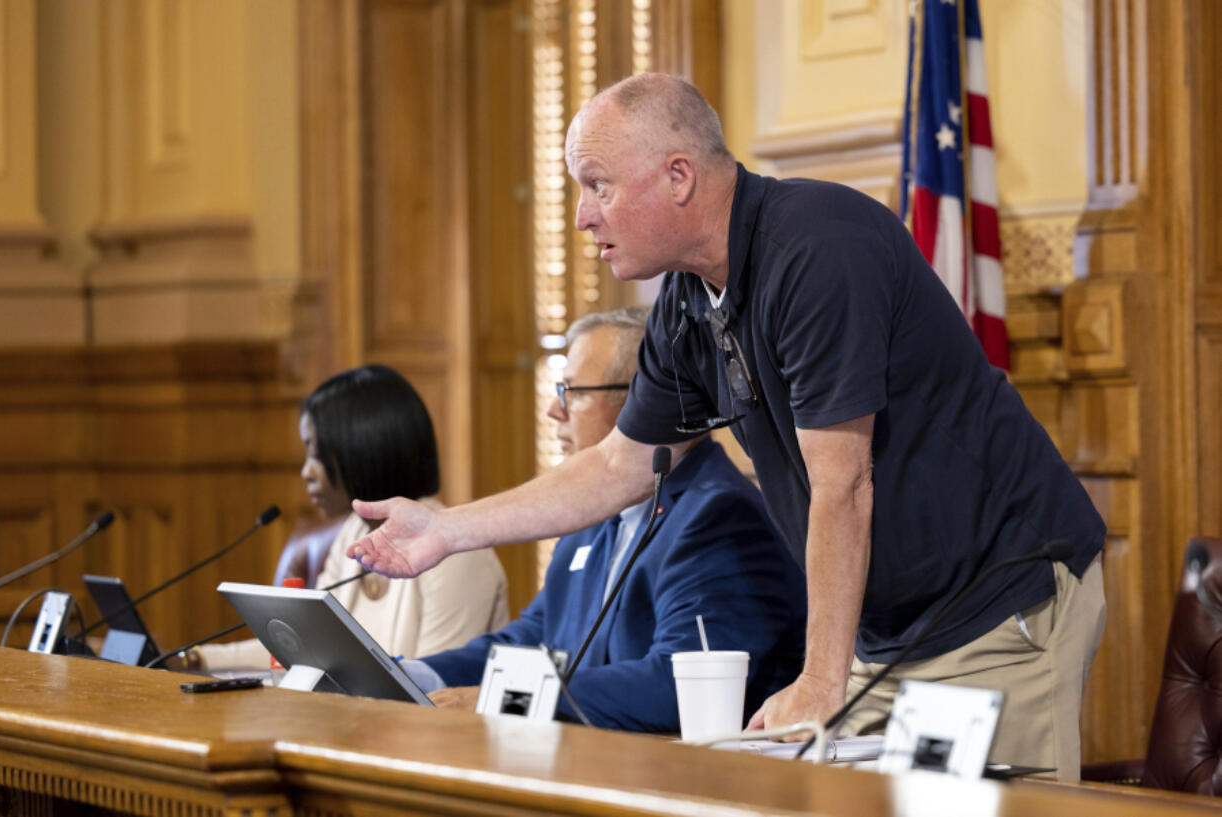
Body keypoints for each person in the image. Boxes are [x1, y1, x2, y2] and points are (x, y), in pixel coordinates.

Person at [348, 74, 1105, 779]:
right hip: (887, 634)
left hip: (1000, 603)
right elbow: (619, 466)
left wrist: (818, 680)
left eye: (598, 185)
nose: (582, 215)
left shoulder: (817, 251)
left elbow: (843, 483)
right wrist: (446, 532)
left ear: (679, 176)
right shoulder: (685, 299)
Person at [402, 309, 806, 732]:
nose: (553, 411)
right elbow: (533, 639)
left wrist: (504, 698)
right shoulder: (591, 513)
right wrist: (414, 678)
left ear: (644, 400)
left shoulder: (718, 516)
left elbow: (676, 688)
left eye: (572, 391)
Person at [190, 365, 509, 671]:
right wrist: (196, 659)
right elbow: (302, 646)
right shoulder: (353, 531)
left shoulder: (454, 552)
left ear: (361, 449)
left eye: (315, 453)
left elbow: (435, 694)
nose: (306, 472)